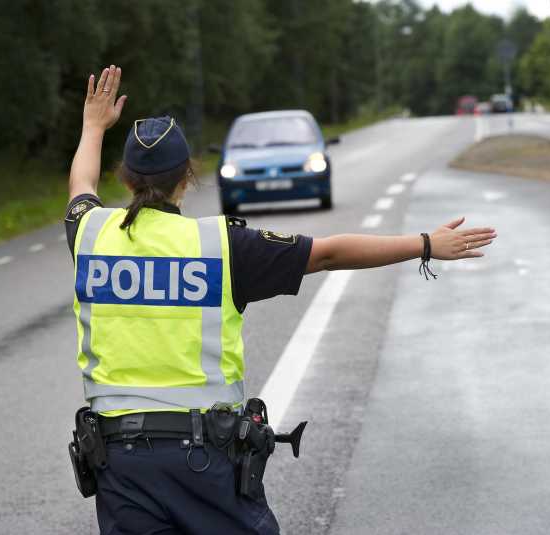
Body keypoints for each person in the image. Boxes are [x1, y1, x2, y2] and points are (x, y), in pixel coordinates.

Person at [65, 65, 497, 535]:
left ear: (126, 179)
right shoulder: (222, 247)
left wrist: (93, 126)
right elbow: (329, 253)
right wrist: (425, 243)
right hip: (202, 464)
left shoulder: (90, 233)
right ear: (187, 176)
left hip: (121, 468)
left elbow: (81, 185)